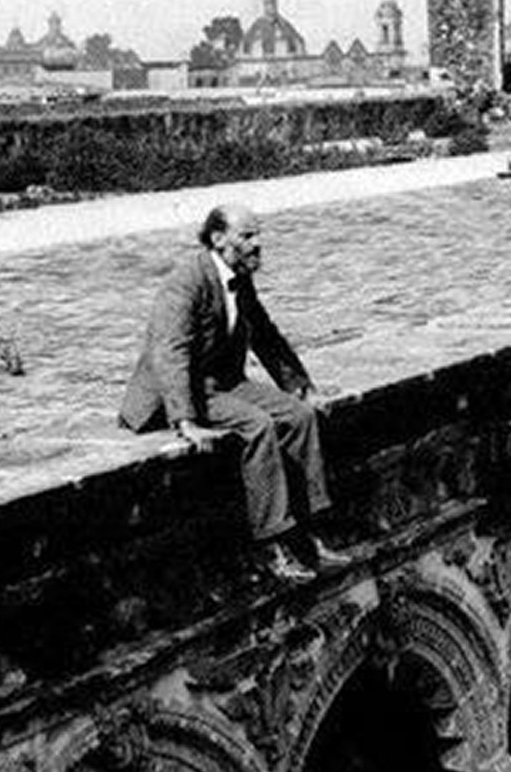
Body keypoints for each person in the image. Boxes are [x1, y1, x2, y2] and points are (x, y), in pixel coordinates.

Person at [119, 203, 346, 582]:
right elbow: (170, 352)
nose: (257, 244)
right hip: (189, 389)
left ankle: (308, 535)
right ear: (218, 238)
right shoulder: (187, 282)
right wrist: (185, 421)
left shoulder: (239, 277)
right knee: (257, 426)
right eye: (247, 236)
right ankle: (271, 544)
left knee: (300, 417)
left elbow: (266, 336)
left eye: (258, 234)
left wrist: (301, 388)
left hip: (225, 382)